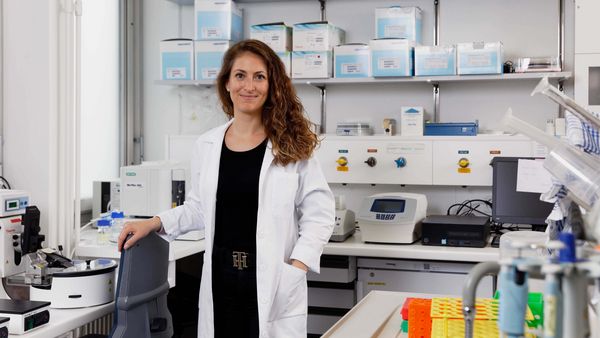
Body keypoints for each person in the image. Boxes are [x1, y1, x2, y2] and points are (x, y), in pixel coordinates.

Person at [117, 39, 335, 338]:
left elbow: (320, 216)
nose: (249, 85)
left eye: (260, 76)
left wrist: (296, 269)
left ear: (272, 86)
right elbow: (198, 208)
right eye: (240, 75)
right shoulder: (207, 144)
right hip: (221, 278)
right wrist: (154, 223)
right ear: (227, 83)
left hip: (272, 281)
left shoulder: (291, 144)